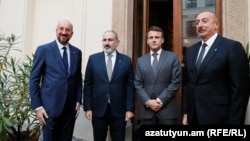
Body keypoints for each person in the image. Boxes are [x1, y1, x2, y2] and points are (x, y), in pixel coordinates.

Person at [182, 10, 250, 125]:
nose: (200, 25)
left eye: (205, 21)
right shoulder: (191, 51)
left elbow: (240, 90)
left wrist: (235, 122)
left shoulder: (232, 47)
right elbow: (187, 85)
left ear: (216, 25)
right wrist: (186, 112)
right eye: (197, 22)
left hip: (220, 117)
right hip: (194, 116)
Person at [29, 19, 83, 140]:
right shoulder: (44, 50)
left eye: (67, 30)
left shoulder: (77, 53)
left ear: (72, 33)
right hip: (49, 110)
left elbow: (78, 79)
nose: (64, 32)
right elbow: (34, 80)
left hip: (69, 111)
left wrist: (78, 100)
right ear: (56, 31)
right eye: (61, 29)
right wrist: (38, 107)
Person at [83, 30, 135, 141]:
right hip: (98, 109)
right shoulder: (93, 59)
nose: (107, 43)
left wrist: (129, 109)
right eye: (104, 40)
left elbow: (130, 86)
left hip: (119, 111)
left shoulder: (126, 61)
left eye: (110, 40)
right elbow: (88, 84)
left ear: (117, 42)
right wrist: (87, 107)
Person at [134, 26, 181, 125]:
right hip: (147, 112)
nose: (154, 40)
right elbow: (138, 84)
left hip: (167, 111)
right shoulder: (140, 61)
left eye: (157, 37)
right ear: (147, 41)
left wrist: (160, 100)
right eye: (151, 38)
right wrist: (147, 101)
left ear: (162, 40)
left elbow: (176, 82)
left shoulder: (172, 57)